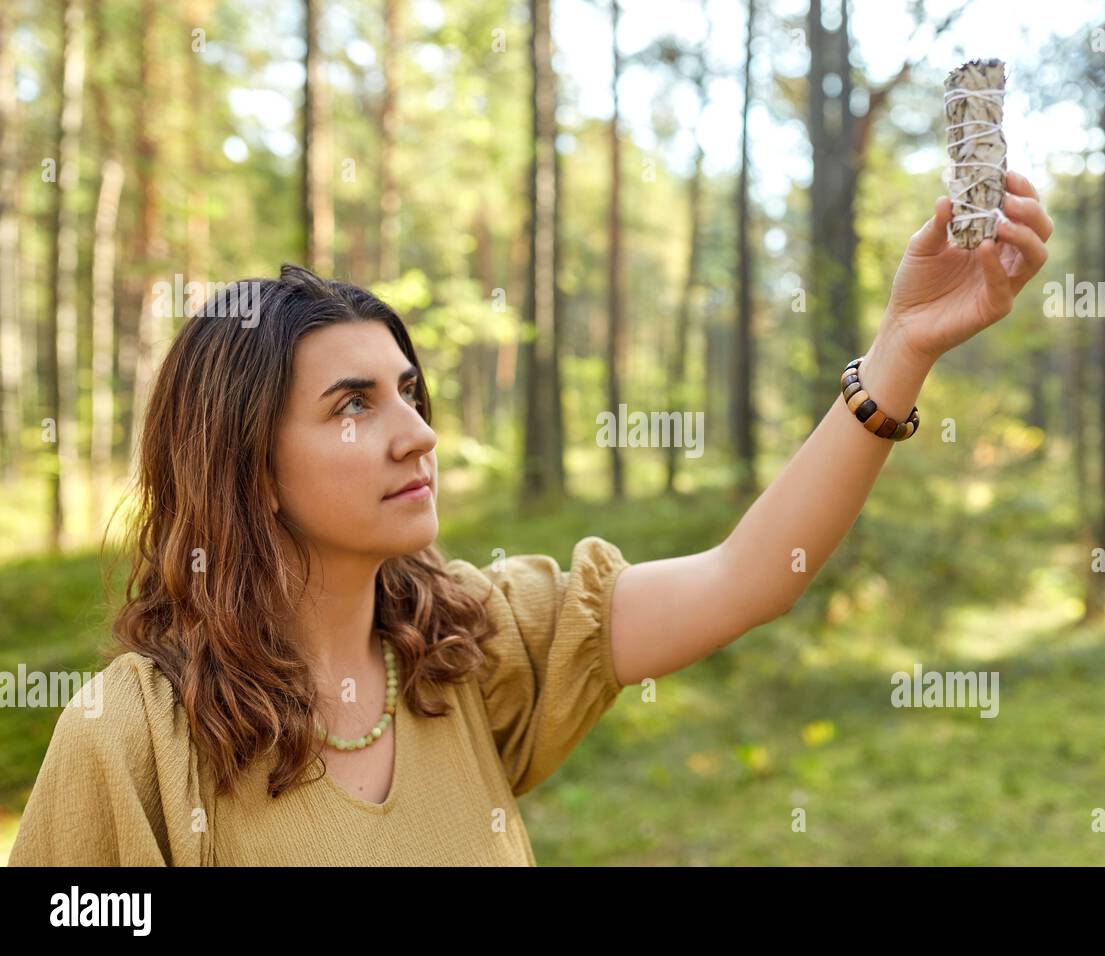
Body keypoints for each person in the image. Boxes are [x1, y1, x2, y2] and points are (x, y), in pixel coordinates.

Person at [8, 173, 1051, 865]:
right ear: (247, 464)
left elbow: (750, 573)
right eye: (352, 404)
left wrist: (902, 349)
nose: (415, 431)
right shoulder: (131, 736)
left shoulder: (469, 645)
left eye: (409, 391)